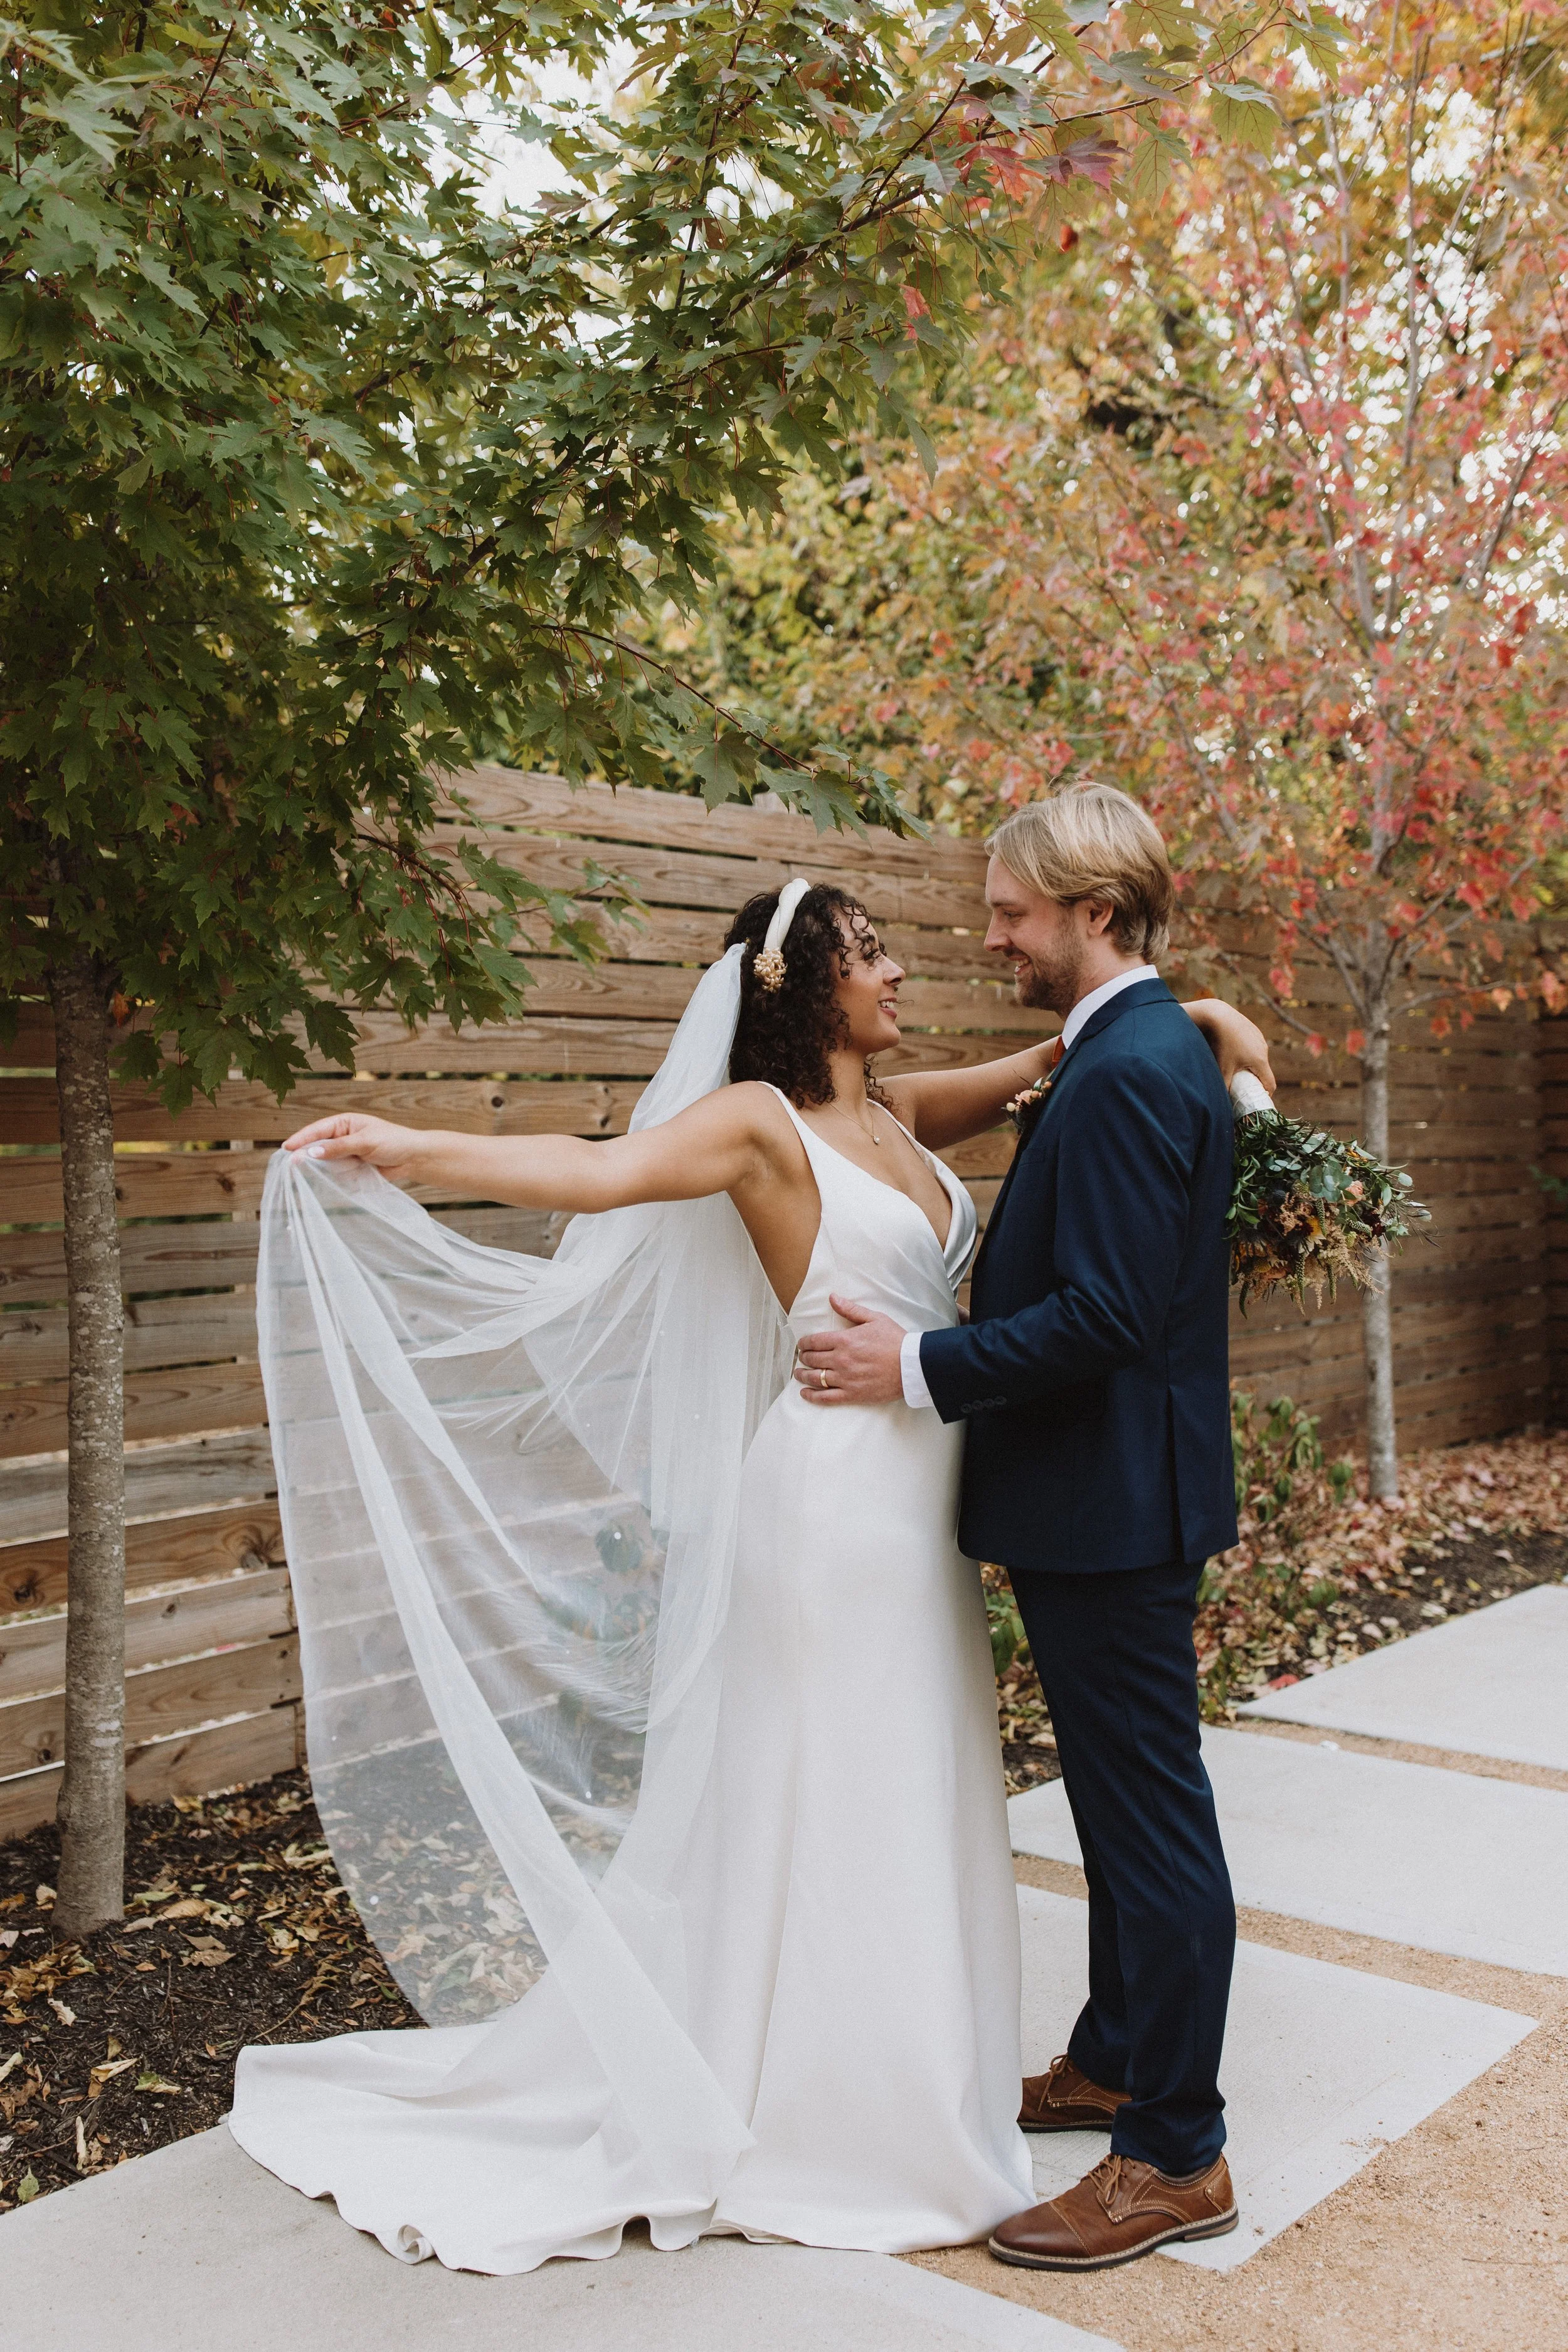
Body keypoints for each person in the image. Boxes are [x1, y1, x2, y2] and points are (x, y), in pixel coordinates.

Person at [228, 852, 1269, 2275]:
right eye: (871, 951)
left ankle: (920, 2082)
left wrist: (1183, 1017)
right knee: (834, 1786)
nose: (902, 967)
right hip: (835, 1501)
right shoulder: (755, 1126)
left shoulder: (896, 1112)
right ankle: (829, 2113)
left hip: (925, 1493)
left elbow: (1055, 1059)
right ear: (801, 985)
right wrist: (410, 1146)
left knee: (910, 1782)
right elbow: (596, 1174)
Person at [795, 786, 1245, 2272]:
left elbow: (1107, 1315)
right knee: (1123, 1818)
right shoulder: (1132, 1044)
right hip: (1105, 1498)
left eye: (1010, 913)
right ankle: (1118, 2052)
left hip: (1111, 1506)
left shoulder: (1126, 1072)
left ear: (1092, 917)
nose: (986, 935)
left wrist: (911, 1368)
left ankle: (1174, 2150)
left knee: (1148, 1824)